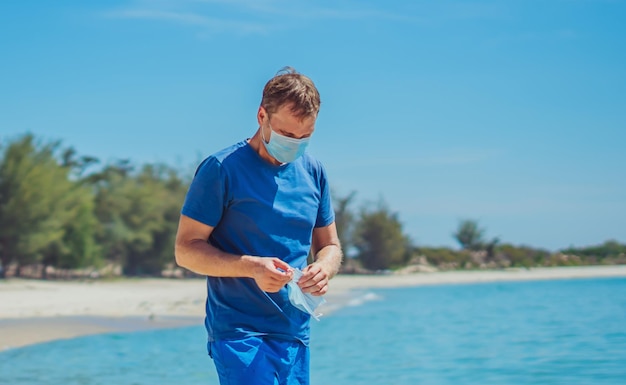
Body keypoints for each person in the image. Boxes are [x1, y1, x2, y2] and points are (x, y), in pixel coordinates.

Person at [174, 66, 343, 385]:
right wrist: (252, 267)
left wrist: (323, 269)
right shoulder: (221, 169)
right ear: (261, 115)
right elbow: (186, 250)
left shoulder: (314, 172)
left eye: (305, 136)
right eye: (288, 135)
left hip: (295, 331)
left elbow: (330, 246)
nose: (296, 144)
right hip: (238, 332)